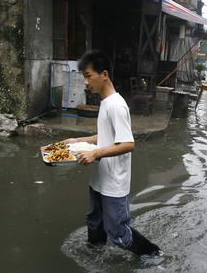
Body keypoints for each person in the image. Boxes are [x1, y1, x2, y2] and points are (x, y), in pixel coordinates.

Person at [63, 50, 161, 257]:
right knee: (95, 220)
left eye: (89, 76)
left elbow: (127, 144)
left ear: (104, 74)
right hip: (99, 178)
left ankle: (152, 254)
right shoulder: (106, 102)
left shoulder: (116, 105)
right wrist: (78, 140)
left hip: (114, 183)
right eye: (84, 77)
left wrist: (95, 154)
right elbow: (106, 135)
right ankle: (94, 254)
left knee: (117, 231)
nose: (86, 82)